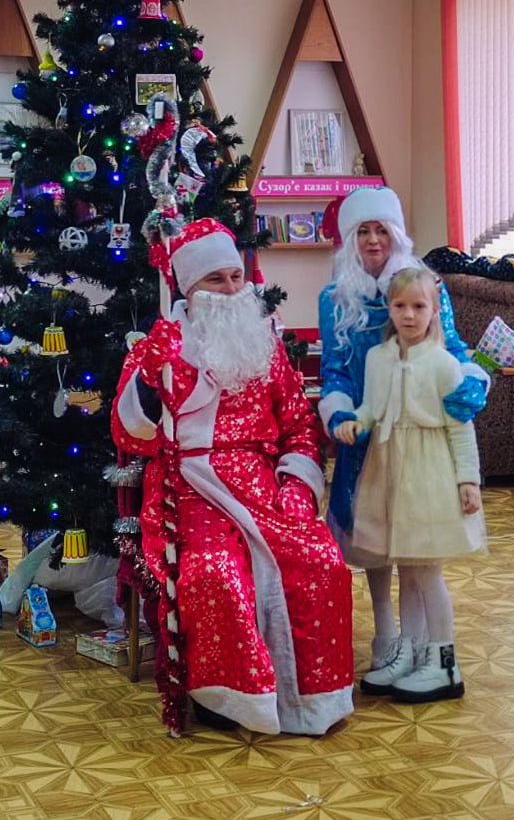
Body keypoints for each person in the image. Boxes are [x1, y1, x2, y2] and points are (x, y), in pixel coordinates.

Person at [112, 218, 354, 736]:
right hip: (188, 486)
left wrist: (297, 484)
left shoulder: (265, 343)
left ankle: (309, 699)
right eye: (214, 280)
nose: (229, 289)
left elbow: (297, 424)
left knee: (320, 560)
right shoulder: (160, 347)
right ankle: (228, 698)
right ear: (188, 288)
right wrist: (150, 382)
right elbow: (130, 435)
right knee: (214, 572)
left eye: (235, 277)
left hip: (263, 484)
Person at [317, 187, 487, 672]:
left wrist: (471, 382)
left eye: (381, 230)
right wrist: (340, 414)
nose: (373, 240)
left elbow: (451, 348)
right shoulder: (334, 298)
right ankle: (386, 634)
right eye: (363, 231)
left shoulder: (425, 286)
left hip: (418, 441)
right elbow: (335, 369)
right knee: (373, 540)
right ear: (350, 239)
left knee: (414, 546)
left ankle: (422, 648)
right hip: (364, 435)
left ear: (396, 233)